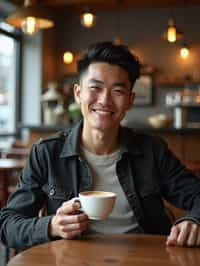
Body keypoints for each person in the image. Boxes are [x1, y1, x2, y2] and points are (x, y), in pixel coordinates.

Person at [1, 41, 200, 250]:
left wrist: (194, 221)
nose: (105, 100)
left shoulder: (152, 150)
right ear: (78, 93)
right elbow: (7, 224)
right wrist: (51, 226)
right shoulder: (47, 153)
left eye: (118, 91)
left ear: (130, 100)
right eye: (95, 87)